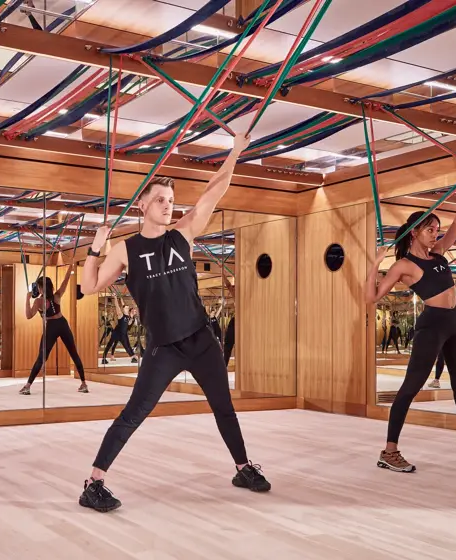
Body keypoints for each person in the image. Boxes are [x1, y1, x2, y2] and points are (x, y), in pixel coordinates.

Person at [77, 133, 269, 513]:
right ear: (143, 205)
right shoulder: (126, 250)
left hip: (201, 340)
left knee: (223, 407)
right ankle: (93, 483)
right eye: (160, 200)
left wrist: (234, 153)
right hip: (163, 346)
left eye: (171, 201)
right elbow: (89, 287)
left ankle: (243, 468)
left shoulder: (183, 235)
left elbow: (214, 192)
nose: (167, 206)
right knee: (134, 413)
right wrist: (95, 248)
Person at [366, 167, 456, 472]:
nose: (437, 234)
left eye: (437, 230)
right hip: (431, 325)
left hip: (455, 324)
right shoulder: (404, 264)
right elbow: (372, 297)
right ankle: (389, 451)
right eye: (430, 229)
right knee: (410, 387)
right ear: (414, 232)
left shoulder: (439, 254)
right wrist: (375, 263)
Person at [19, 267, 88, 395]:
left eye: (38, 287)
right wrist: (70, 269)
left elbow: (29, 315)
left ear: (40, 288)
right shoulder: (57, 296)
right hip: (62, 324)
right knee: (74, 353)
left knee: (41, 358)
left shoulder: (39, 301)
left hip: (51, 326)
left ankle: (27, 386)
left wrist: (27, 299)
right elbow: (66, 281)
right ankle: (84, 384)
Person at [102, 296, 135, 364]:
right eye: (126, 307)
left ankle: (132, 357)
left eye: (128, 307)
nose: (127, 308)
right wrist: (115, 298)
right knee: (109, 345)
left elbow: (129, 324)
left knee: (126, 345)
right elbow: (117, 306)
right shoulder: (120, 315)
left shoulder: (128, 317)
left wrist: (121, 298)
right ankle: (104, 358)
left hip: (122, 334)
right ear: (124, 309)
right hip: (116, 333)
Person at [222, 276, 235, 366]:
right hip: (236, 321)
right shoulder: (236, 294)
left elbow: (229, 285)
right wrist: (222, 273)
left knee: (228, 345)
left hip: (241, 321)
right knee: (228, 345)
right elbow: (228, 285)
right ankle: (223, 366)